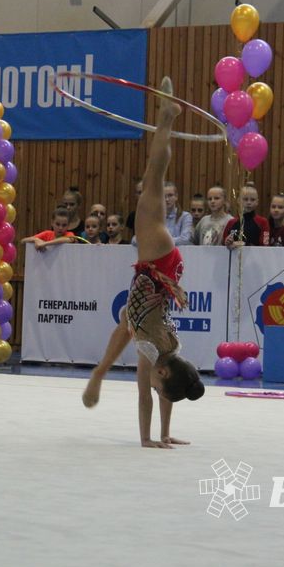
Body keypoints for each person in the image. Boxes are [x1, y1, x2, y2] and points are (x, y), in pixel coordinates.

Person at [82, 77, 205, 449]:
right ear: (161, 370)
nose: (153, 381)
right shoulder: (154, 350)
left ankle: (166, 115)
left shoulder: (170, 348)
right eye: (157, 377)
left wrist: (99, 376)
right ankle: (166, 115)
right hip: (157, 261)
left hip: (165, 268)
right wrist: (146, 439)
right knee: (154, 177)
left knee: (156, 179)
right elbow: (147, 394)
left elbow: (168, 388)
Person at [223, 182, 270, 247]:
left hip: (255, 256)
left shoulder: (262, 222)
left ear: (257, 202)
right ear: (239, 201)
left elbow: (265, 246)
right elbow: (223, 244)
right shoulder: (231, 222)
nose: (249, 202)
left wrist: (244, 244)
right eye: (245, 199)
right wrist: (227, 242)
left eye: (252, 200)